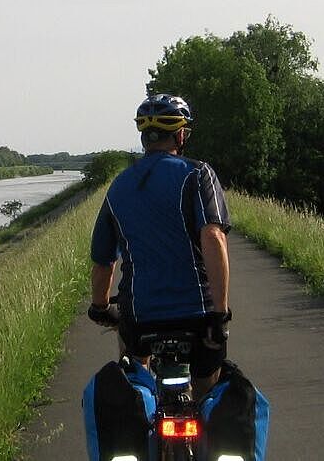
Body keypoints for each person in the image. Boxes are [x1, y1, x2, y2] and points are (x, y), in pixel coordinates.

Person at [87, 93, 232, 397]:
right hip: (199, 315)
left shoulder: (118, 186)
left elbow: (103, 261)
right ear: (181, 134)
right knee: (208, 391)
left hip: (140, 318)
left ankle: (141, 416)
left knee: (135, 383)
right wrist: (220, 313)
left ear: (144, 138)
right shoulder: (198, 174)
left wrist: (100, 307)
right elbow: (212, 236)